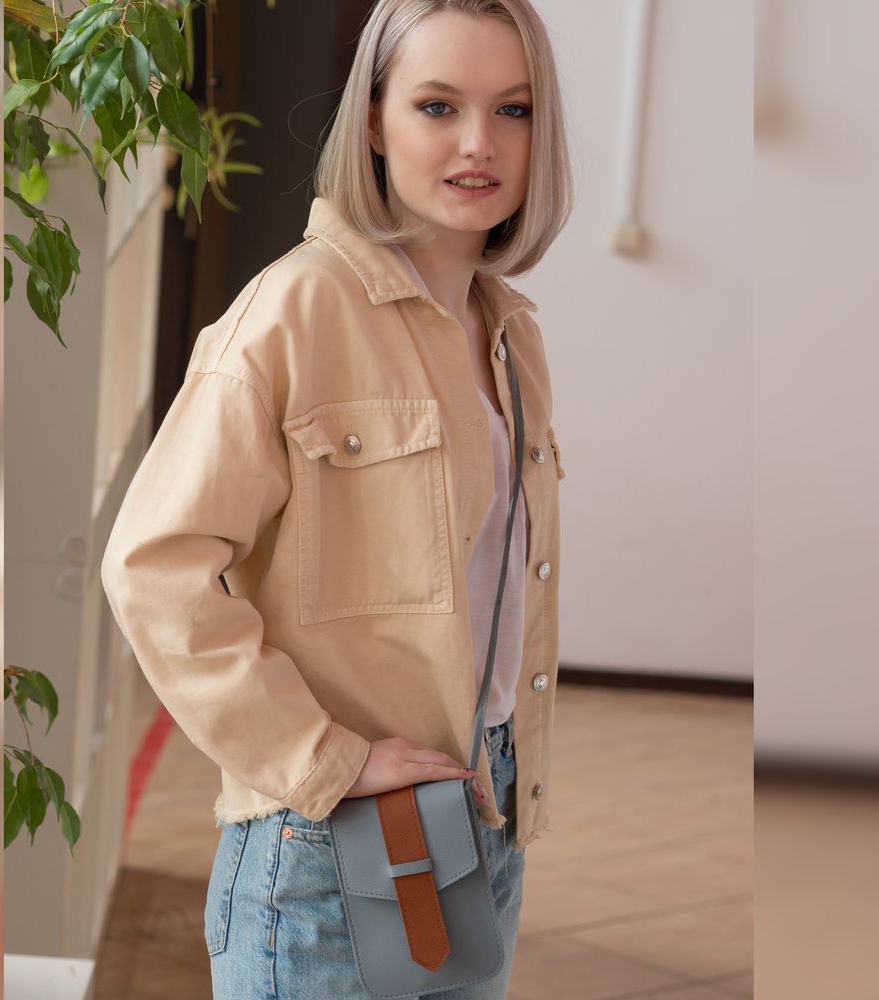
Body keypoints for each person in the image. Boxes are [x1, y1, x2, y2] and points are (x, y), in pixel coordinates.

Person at [100, 0, 573, 996]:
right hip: (326, 842)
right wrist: (324, 759)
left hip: (480, 814)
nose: (479, 143)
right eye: (437, 106)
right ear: (373, 121)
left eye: (514, 109)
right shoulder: (296, 310)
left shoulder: (511, 332)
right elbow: (153, 566)